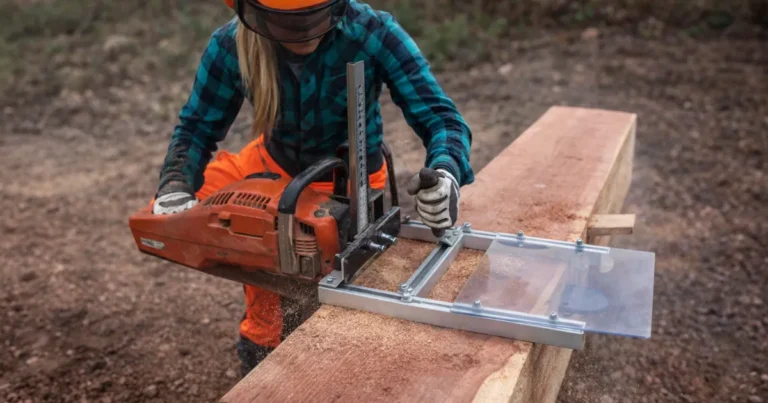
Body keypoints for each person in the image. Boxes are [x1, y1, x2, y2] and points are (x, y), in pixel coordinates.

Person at [151, 0, 475, 376]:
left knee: (347, 293)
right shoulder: (230, 44)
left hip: (351, 179)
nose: (302, 32)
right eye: (286, 22)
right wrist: (176, 183)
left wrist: (446, 170)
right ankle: (261, 353)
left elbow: (440, 116)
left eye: (313, 17)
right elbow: (196, 128)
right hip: (272, 171)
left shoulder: (373, 32)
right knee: (262, 273)